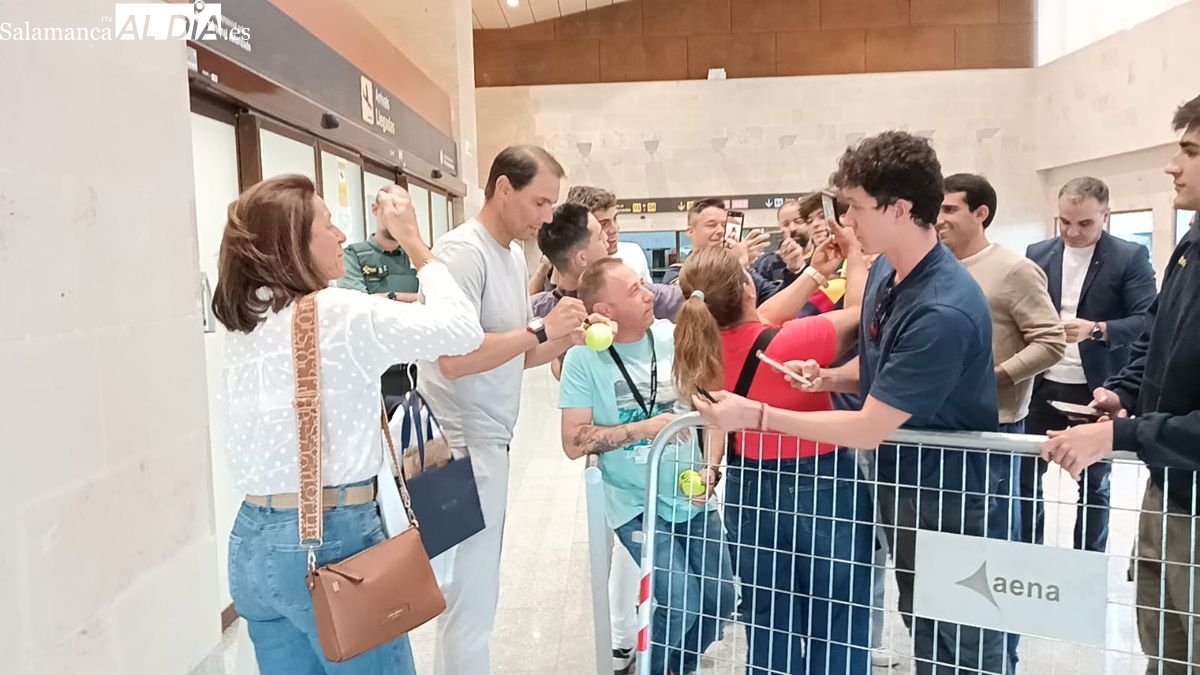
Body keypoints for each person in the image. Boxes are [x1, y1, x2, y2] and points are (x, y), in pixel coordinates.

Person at [691, 131, 1010, 674]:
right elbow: (885, 361)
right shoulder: (887, 270)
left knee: (963, 634)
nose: (846, 220)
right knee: (920, 616)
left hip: (950, 490)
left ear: (900, 208)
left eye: (856, 207)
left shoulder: (942, 309)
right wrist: (828, 377)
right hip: (899, 479)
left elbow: (869, 426)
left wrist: (759, 415)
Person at [214, 176, 484, 675]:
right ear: (293, 242)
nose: (341, 235)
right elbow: (463, 331)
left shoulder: (246, 321)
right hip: (331, 537)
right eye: (327, 224)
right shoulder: (337, 312)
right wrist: (416, 246)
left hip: (250, 538)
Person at [418, 145, 599, 675]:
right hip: (454, 449)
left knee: (475, 598)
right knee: (467, 600)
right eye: (539, 202)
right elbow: (453, 360)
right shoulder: (461, 253)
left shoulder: (512, 255)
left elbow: (515, 353)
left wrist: (565, 338)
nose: (546, 217)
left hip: (489, 443)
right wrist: (541, 328)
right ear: (502, 188)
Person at [1040, 94, 1200, 675]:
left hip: (1184, 479)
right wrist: (1124, 392)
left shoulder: (1131, 257)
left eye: (1190, 151)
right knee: (1165, 647)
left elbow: (1134, 322)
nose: (1172, 166)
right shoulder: (1190, 244)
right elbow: (1157, 333)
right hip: (1169, 485)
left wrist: (1118, 436)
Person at [672, 227, 873, 674]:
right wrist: (855, 257)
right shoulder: (795, 342)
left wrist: (815, 274)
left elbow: (759, 318)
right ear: (748, 288)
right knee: (838, 611)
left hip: (750, 488)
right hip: (821, 483)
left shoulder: (702, 352)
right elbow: (859, 316)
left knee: (767, 612)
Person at [559, 257, 735, 675]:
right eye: (635, 290)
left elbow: (715, 410)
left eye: (643, 284)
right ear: (606, 311)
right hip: (634, 502)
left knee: (721, 600)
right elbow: (573, 442)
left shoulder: (673, 337)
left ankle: (676, 666)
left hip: (691, 493)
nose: (649, 294)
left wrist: (711, 469)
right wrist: (642, 429)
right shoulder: (583, 359)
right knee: (680, 600)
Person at [937, 172, 1067, 673]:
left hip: (996, 430)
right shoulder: (936, 267)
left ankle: (997, 659)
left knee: (988, 562)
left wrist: (995, 377)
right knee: (946, 562)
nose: (940, 218)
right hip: (941, 430)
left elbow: (1050, 340)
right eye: (938, 209)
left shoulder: (1014, 270)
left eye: (950, 209)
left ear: (981, 213)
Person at [1022, 177, 1157, 552]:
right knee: (1024, 476)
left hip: (1099, 387)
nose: (1072, 232)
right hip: (1043, 382)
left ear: (1105, 217)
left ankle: (1088, 561)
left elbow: (1148, 320)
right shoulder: (1038, 253)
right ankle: (1025, 554)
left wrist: (1097, 330)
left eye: (1084, 223)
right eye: (1064, 221)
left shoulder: (1129, 256)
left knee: (1095, 483)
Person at [338, 224, 423, 410]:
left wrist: (389, 297)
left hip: (418, 367)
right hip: (374, 371)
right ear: (376, 210)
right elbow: (357, 305)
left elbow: (436, 300)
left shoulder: (418, 256)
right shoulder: (353, 255)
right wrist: (415, 299)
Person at [662, 198, 774, 304]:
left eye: (724, 225)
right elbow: (708, 301)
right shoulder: (676, 273)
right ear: (691, 232)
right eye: (711, 225)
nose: (720, 231)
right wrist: (735, 266)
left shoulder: (741, 266)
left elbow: (773, 296)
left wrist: (783, 262)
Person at [751, 197, 811, 287]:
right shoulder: (766, 264)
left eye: (798, 221)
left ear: (809, 223)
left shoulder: (823, 257)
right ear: (780, 228)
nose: (792, 228)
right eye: (786, 224)